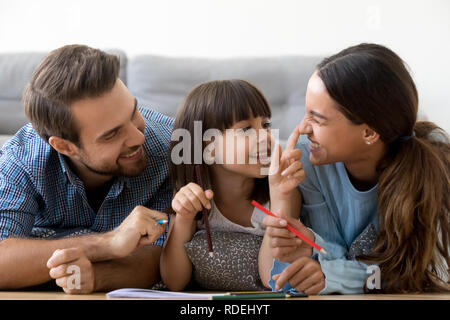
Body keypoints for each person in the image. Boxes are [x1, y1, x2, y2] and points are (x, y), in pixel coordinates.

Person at [259, 43, 450, 294]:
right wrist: (281, 197)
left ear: (369, 132)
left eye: (317, 119)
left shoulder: (432, 165)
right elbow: (274, 278)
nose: (303, 128)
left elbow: (419, 275)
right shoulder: (307, 159)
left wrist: (331, 273)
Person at [0, 45, 173, 294]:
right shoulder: (21, 159)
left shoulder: (172, 148)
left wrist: (99, 276)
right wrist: (108, 243)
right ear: (65, 146)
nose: (137, 137)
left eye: (133, 111)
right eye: (112, 134)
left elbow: (164, 257)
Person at [160, 79, 305, 291]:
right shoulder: (192, 195)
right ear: (207, 145)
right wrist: (184, 218)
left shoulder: (282, 192)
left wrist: (281, 195)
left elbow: (272, 279)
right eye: (246, 129)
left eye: (266, 125)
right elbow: (174, 281)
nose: (265, 136)